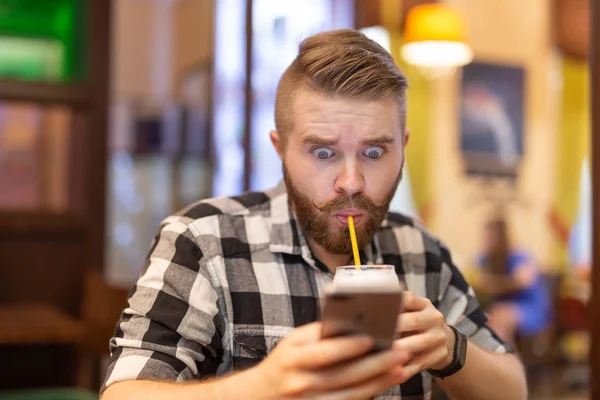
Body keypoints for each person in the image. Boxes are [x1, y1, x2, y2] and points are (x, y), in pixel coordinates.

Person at [101, 29, 527, 400]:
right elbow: (125, 391)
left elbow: (513, 388)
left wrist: (452, 350)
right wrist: (262, 386)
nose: (351, 182)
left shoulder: (422, 251)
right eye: (323, 152)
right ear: (279, 148)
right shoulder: (203, 241)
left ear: (403, 147)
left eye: (375, 152)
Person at [474, 217, 551, 347]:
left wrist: (493, 284)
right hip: (498, 307)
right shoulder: (484, 259)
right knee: (479, 318)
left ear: (501, 238)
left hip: (528, 308)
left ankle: (506, 363)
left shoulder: (519, 256)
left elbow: (524, 281)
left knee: (499, 317)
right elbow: (475, 278)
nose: (487, 241)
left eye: (491, 237)